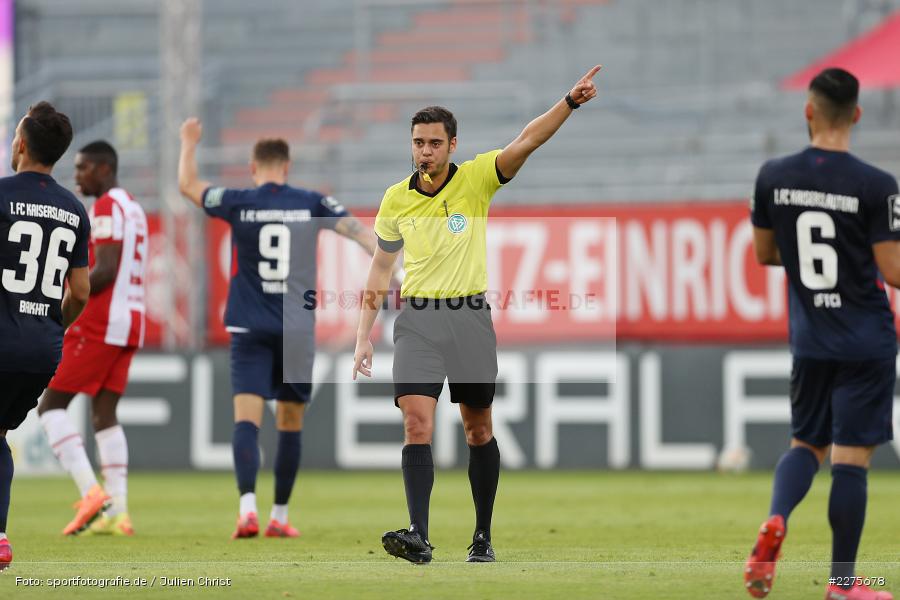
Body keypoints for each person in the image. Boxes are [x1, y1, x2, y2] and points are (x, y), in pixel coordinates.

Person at [352, 66, 602, 564]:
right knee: (416, 425)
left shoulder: (476, 180)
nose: (425, 150)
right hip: (418, 320)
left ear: (452, 145)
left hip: (468, 317)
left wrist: (569, 103)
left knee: (477, 430)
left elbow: (528, 140)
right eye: (418, 142)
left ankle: (482, 536)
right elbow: (381, 267)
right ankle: (418, 536)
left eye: (434, 142)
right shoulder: (395, 199)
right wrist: (363, 335)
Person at [179, 118, 385, 538]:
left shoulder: (237, 200)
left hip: (248, 325)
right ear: (287, 168)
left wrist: (188, 142)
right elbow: (359, 232)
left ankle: (247, 509)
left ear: (254, 169)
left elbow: (188, 185)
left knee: (246, 422)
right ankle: (281, 516)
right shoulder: (312, 202)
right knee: (290, 423)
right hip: (296, 329)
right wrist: (391, 267)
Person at [746, 68, 896, 600]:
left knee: (806, 443)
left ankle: (776, 519)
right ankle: (843, 584)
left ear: (808, 110)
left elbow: (765, 254)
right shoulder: (877, 185)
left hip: (810, 338)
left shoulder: (772, 176)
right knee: (851, 458)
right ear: (856, 115)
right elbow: (894, 271)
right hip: (866, 341)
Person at [36, 141, 147, 537]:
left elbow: (106, 270)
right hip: (131, 320)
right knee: (104, 415)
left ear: (103, 169)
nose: (77, 175)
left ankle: (91, 492)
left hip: (102, 322)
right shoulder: (132, 206)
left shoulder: (107, 207)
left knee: (49, 406)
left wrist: (62, 290)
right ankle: (118, 512)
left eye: (83, 168)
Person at [0, 102, 90, 568]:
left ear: (20, 144)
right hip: (41, 349)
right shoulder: (74, 210)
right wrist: (51, 324)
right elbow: (79, 291)